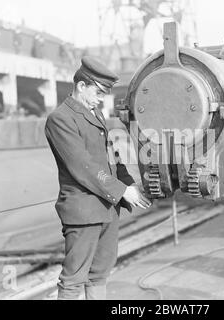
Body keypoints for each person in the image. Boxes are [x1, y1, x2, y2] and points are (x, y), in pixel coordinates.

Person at [45, 56, 152, 300]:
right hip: (83, 212)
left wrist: (129, 184)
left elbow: (111, 156)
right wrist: (122, 191)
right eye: (99, 92)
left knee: (99, 275)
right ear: (81, 86)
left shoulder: (94, 114)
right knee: (73, 279)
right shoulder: (61, 119)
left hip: (107, 208)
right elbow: (83, 165)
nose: (101, 98)